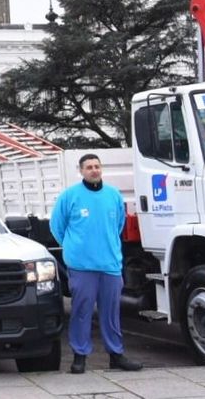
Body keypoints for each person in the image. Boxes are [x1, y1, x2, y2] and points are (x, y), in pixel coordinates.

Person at [49, 154, 143, 375]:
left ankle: (116, 355)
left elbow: (118, 224)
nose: (94, 170)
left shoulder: (113, 195)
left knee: (111, 312)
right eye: (89, 167)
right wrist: (73, 247)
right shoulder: (70, 196)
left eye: (97, 166)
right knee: (81, 311)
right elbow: (57, 226)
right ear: (81, 171)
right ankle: (80, 356)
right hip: (81, 266)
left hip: (110, 264)